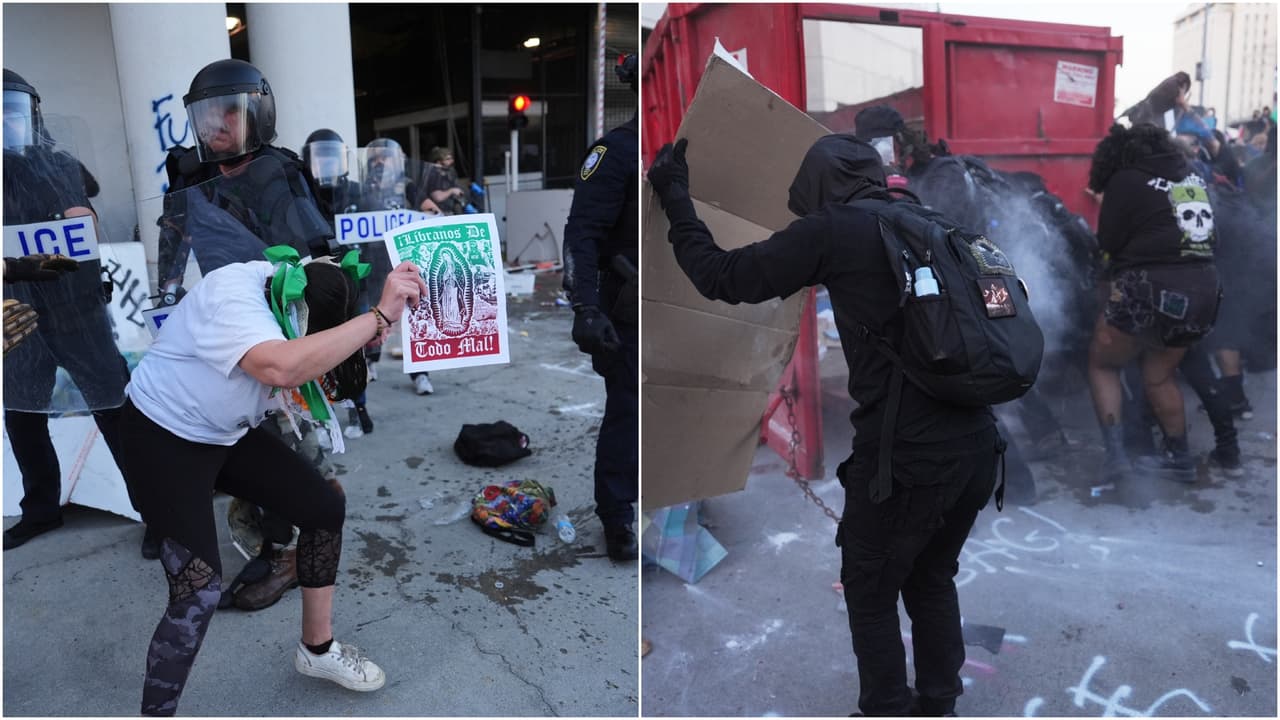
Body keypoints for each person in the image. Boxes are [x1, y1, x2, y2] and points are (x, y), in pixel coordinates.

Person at [648, 133, 1001, 716]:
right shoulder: (929, 223)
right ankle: (939, 703)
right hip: (979, 444)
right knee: (931, 576)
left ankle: (887, 709)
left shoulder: (837, 228)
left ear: (818, 187)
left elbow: (721, 277)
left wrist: (676, 196)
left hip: (908, 458)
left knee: (870, 588)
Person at [118, 247, 425, 715]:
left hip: (226, 430)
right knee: (197, 588)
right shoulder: (233, 293)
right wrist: (376, 317)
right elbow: (280, 367)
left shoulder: (304, 287)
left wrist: (379, 321)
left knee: (323, 508)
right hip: (163, 433)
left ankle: (317, 650)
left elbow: (324, 364)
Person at [156, 58, 338, 609]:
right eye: (207, 113)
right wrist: (167, 293)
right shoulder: (190, 173)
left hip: (275, 323)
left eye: (230, 112)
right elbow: (174, 236)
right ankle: (259, 521)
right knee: (230, 430)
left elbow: (315, 258)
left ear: (258, 114)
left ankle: (286, 547)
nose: (217, 123)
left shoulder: (277, 172)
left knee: (288, 439)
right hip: (221, 323)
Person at [1, 69, 155, 554]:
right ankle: (40, 509)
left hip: (75, 308)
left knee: (115, 410)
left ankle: (157, 510)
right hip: (17, 310)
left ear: (31, 114)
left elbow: (83, 222)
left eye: (9, 111)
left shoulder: (59, 164)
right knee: (22, 414)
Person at [1085, 124, 1220, 483]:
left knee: (1103, 364)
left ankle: (1117, 459)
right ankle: (1179, 459)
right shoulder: (1194, 178)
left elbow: (1108, 242)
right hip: (1203, 290)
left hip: (1148, 287)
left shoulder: (1126, 178)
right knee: (1159, 375)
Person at [562, 54, 639, 561]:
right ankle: (617, 516)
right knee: (628, 412)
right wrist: (585, 307)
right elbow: (582, 233)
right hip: (628, 307)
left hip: (682, 301)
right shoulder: (616, 151)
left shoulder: (687, 148)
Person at [301, 128, 374, 436]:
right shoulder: (302, 194)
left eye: (333, 158)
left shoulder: (357, 193)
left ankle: (360, 409)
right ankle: (321, 414)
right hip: (319, 287)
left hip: (356, 283)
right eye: (321, 159)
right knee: (319, 351)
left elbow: (376, 233)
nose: (327, 165)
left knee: (355, 350)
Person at [1120, 71, 1191, 128]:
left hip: (1142, 112)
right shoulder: (1176, 85)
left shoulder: (1171, 81)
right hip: (1146, 115)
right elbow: (1181, 102)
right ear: (1185, 85)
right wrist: (1191, 112)